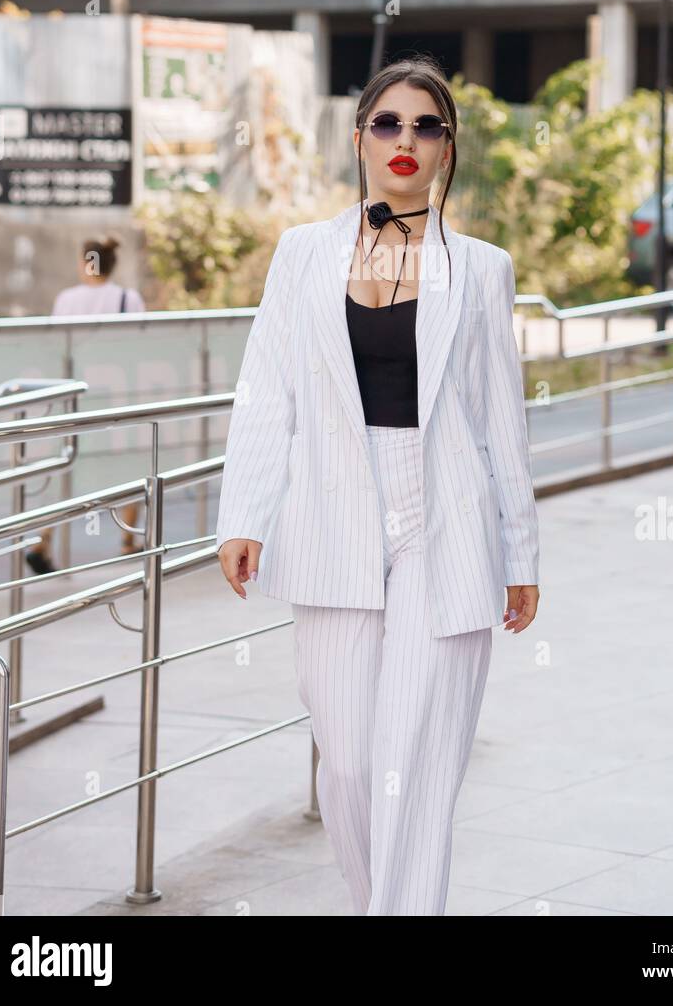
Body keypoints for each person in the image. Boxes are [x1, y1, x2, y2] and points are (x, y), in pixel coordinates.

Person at [215, 56, 541, 916]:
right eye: (388, 123)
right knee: (353, 765)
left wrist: (521, 550)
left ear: (447, 149)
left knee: (418, 770)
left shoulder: (482, 268)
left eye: (427, 126)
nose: (406, 140)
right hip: (331, 516)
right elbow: (267, 389)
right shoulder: (302, 255)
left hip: (448, 521)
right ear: (359, 137)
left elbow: (501, 418)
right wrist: (243, 513)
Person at [26, 235, 146, 575]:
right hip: (116, 395)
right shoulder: (128, 298)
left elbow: (54, 345)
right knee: (129, 465)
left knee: (66, 466)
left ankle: (43, 541)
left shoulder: (66, 299)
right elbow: (144, 342)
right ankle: (127, 541)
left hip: (75, 396)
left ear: (85, 263)